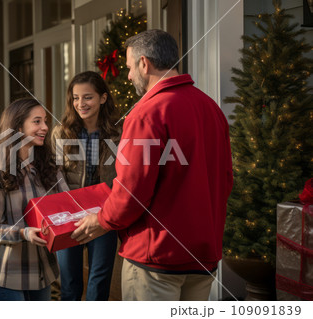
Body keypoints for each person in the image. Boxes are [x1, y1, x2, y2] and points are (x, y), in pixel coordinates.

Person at [72, 30, 233, 301]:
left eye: (130, 68)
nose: (129, 76)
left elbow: (132, 188)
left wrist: (102, 220)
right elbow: (225, 179)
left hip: (155, 257)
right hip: (203, 256)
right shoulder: (211, 108)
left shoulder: (147, 113)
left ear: (144, 64)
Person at [0, 98, 69, 301]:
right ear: (18, 127)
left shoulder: (48, 167)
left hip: (42, 270)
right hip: (9, 271)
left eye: (45, 121)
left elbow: (67, 204)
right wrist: (24, 233)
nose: (45, 127)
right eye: (37, 121)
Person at [51, 71, 122, 301]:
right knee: (69, 284)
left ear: (103, 98)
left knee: (99, 281)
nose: (81, 103)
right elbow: (54, 175)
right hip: (69, 216)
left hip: (104, 215)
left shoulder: (118, 134)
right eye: (76, 98)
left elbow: (124, 176)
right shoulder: (61, 133)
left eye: (88, 97)